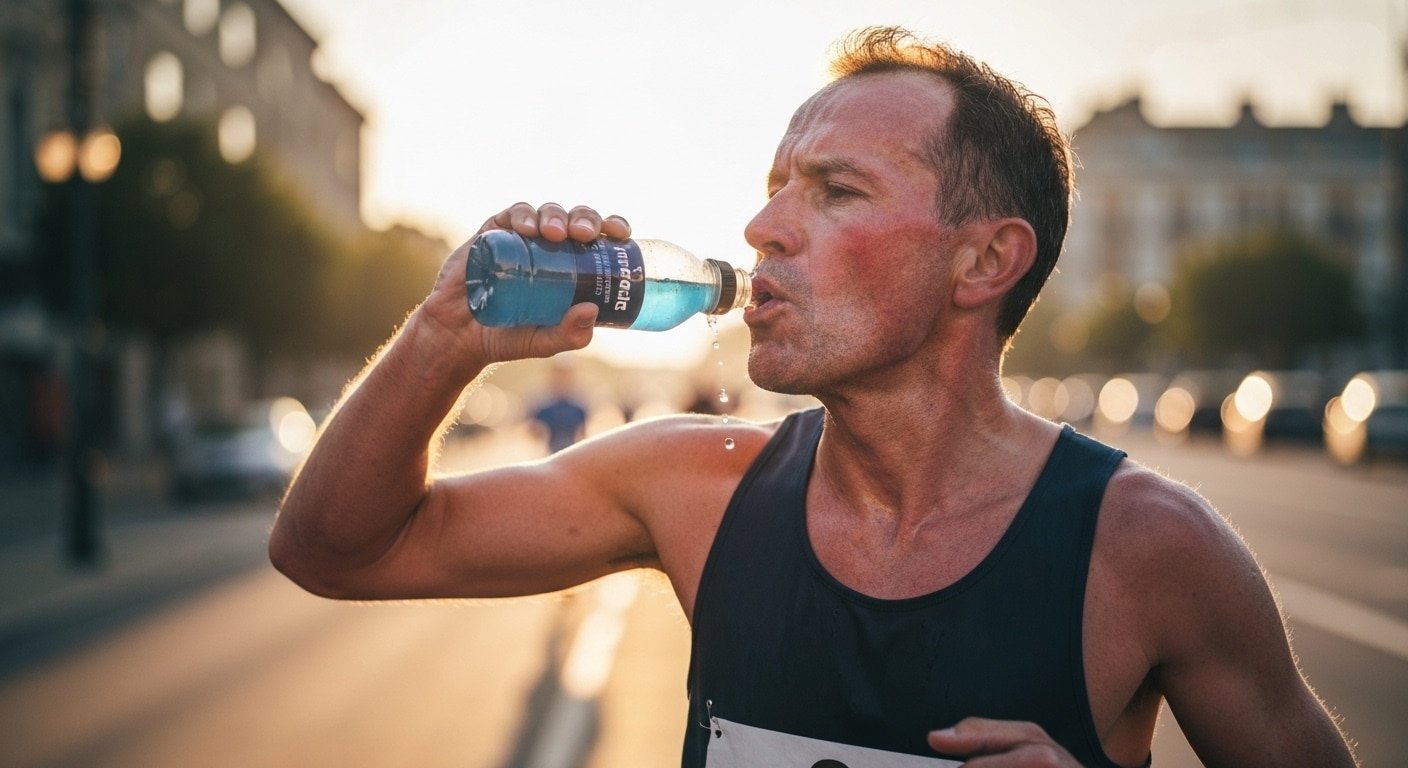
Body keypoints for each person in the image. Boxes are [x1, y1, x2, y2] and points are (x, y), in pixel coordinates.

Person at [270, 26, 1358, 767]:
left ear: (983, 263)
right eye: (773, 187)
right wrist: (442, 335)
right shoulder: (693, 485)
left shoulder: (1148, 549)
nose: (762, 229)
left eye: (834, 191)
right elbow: (337, 549)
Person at [530, 360, 588, 453]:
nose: (562, 379)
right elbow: (534, 433)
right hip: (551, 454)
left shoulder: (579, 405)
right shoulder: (543, 406)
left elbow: (583, 433)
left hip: (572, 452)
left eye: (565, 375)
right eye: (559, 374)